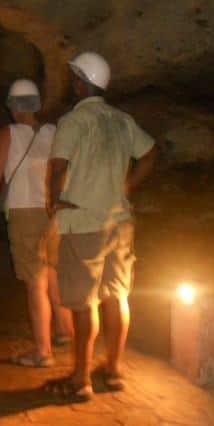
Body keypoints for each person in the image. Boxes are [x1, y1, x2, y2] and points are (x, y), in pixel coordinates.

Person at [47, 51, 157, 402]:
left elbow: (59, 165)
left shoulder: (74, 122)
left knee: (83, 303)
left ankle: (81, 379)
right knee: (117, 296)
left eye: (73, 78)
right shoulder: (121, 120)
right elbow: (151, 154)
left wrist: (54, 199)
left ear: (81, 82)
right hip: (119, 221)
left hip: (84, 222)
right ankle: (113, 369)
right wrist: (128, 187)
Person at [0, 79, 73, 367]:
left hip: (24, 212)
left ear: (13, 107)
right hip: (52, 211)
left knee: (34, 283)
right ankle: (64, 329)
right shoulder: (53, 131)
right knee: (53, 271)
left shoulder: (8, 134)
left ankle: (43, 351)